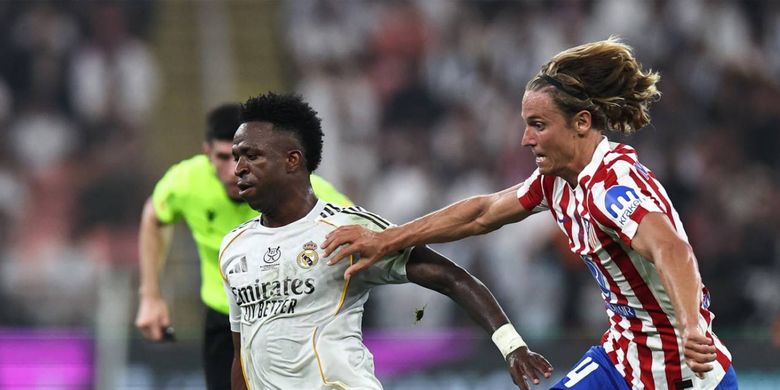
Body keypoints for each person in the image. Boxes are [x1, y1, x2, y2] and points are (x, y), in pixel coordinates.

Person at [323, 38, 738, 390]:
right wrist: (385, 238)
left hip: (683, 374)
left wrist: (692, 329)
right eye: (526, 124)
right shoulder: (556, 180)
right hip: (623, 357)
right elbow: (481, 213)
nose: (526, 139)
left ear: (581, 122)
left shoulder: (612, 188)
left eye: (539, 124)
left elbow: (672, 250)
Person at [220, 92, 552, 390]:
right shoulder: (234, 248)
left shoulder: (347, 229)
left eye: (252, 156)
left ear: (292, 160)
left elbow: (452, 278)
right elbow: (243, 354)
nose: (239, 168)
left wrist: (511, 345)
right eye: (236, 157)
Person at [134, 103, 352, 390]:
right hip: (224, 321)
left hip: (285, 319)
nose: (234, 170)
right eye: (224, 157)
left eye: (244, 156)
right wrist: (150, 296)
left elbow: (354, 224)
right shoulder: (187, 182)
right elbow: (153, 215)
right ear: (206, 153)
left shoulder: (291, 186)